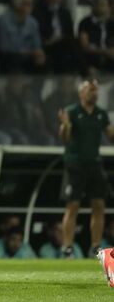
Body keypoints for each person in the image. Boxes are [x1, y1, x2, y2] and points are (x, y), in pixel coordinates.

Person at [58, 78, 114, 257]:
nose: (94, 94)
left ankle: (95, 246)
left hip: (94, 164)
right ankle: (68, 246)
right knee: (73, 205)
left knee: (99, 204)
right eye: (91, 90)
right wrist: (65, 124)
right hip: (75, 163)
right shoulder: (72, 111)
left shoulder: (100, 114)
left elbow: (110, 135)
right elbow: (65, 137)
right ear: (81, 93)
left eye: (96, 90)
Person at [0, 0, 45, 73]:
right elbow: (3, 48)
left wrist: (40, 54)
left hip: (29, 58)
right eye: (26, 3)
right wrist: (26, 52)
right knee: (16, 60)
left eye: (31, 4)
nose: (30, 7)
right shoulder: (3, 21)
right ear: (17, 4)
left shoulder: (33, 23)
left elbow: (37, 46)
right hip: (9, 58)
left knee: (41, 61)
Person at [35, 0, 77, 73]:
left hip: (62, 44)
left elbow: (70, 33)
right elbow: (36, 32)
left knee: (71, 44)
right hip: (46, 44)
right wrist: (48, 41)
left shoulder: (65, 13)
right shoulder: (38, 11)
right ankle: (86, 73)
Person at [77, 0, 114, 71]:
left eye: (103, 4)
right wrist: (105, 51)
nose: (99, 7)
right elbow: (85, 47)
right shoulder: (85, 23)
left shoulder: (111, 24)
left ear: (109, 7)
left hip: (109, 58)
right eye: (97, 4)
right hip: (92, 56)